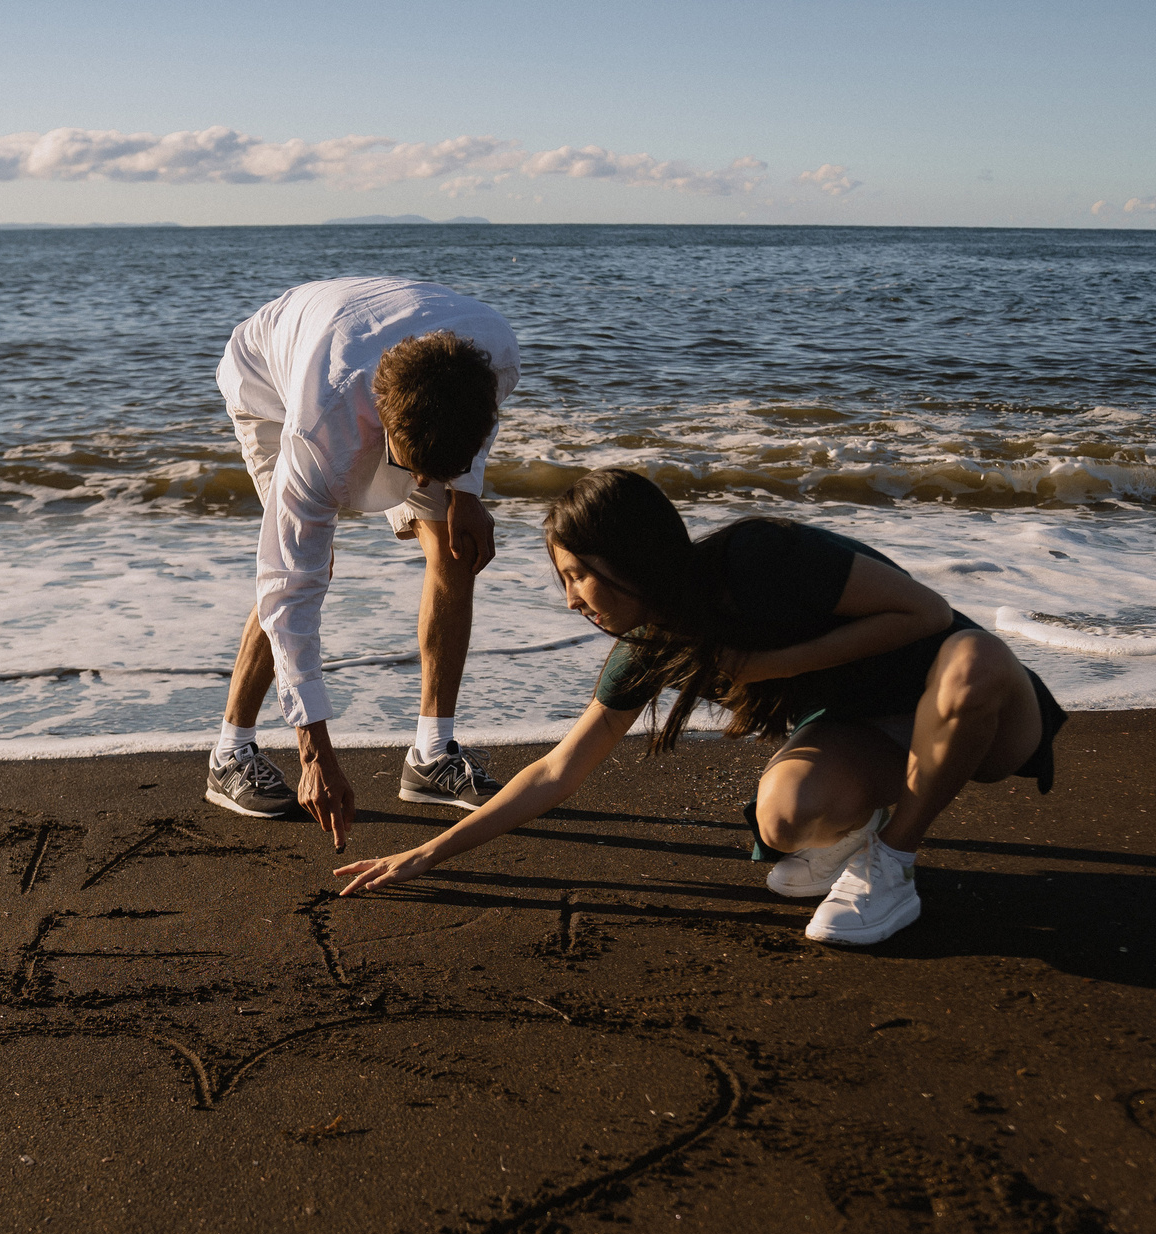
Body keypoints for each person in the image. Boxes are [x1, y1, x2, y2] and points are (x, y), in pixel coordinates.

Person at [334, 469, 1067, 946]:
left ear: (631, 554)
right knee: (784, 816)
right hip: (873, 733)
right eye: (563, 580)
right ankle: (855, 838)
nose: (572, 600)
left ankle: (893, 864)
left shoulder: (758, 559)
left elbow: (928, 613)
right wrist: (427, 854)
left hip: (983, 710)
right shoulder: (651, 648)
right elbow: (559, 772)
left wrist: (766, 665)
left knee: (971, 666)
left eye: (580, 574)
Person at [205, 277, 521, 850]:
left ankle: (431, 755)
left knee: (455, 546)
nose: (420, 485)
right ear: (382, 426)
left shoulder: (494, 353)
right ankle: (230, 752)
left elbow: (478, 423)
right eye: (413, 470)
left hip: (386, 352)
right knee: (308, 570)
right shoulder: (321, 429)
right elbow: (287, 586)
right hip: (269, 381)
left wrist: (466, 493)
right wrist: (315, 754)